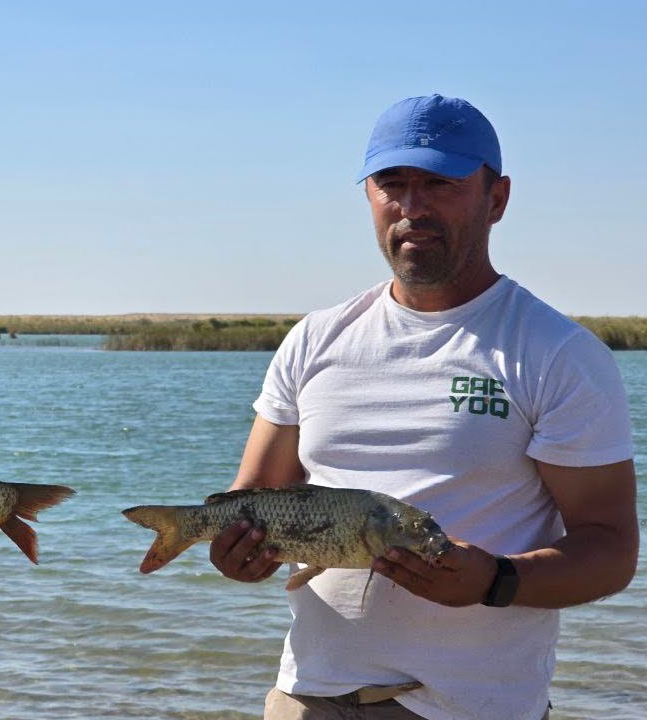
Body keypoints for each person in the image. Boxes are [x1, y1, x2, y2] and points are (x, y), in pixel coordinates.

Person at [209, 94, 638, 720]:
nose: (412, 206)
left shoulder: (557, 353)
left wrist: (496, 580)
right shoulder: (316, 337)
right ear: (369, 196)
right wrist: (237, 554)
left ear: (497, 199)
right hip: (307, 697)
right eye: (392, 183)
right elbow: (254, 496)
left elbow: (611, 549)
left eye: (440, 183)